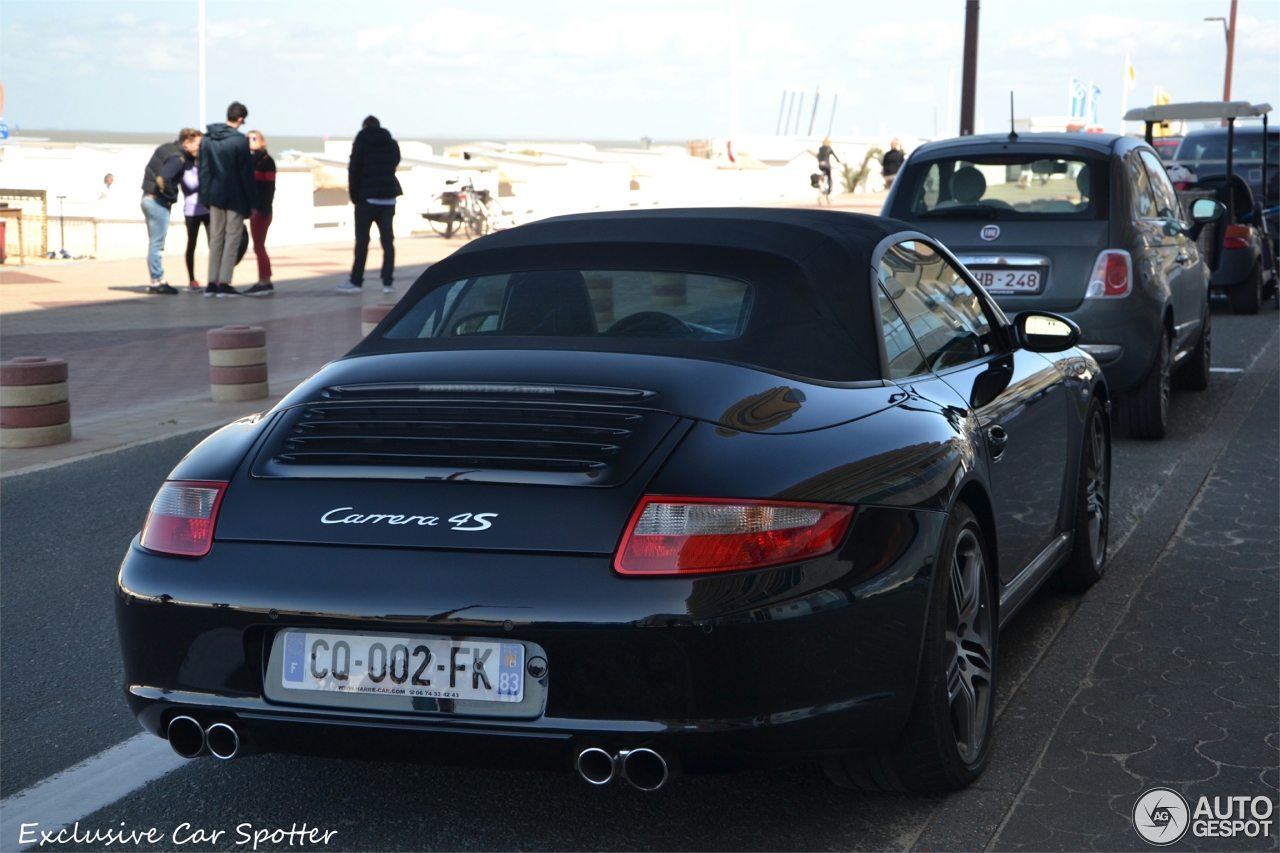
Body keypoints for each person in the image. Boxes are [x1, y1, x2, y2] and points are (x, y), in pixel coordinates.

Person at [198, 101, 258, 298]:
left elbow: (203, 170)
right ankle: (224, 282)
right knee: (232, 238)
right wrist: (253, 202)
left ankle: (211, 282)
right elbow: (246, 174)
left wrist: (204, 197)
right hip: (235, 196)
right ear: (240, 119)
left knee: (215, 238)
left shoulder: (208, 139)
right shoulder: (240, 141)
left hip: (214, 194)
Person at [338, 115, 402, 294]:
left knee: (362, 241)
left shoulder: (361, 139)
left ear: (365, 126)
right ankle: (387, 283)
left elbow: (354, 169)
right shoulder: (391, 142)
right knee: (388, 242)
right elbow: (395, 162)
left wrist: (355, 197)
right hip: (389, 197)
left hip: (367, 198)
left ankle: (356, 281)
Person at [139, 134, 189, 294]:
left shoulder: (167, 148)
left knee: (155, 243)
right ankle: (156, 281)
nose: (199, 149)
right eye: (197, 145)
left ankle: (157, 279)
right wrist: (171, 197)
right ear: (187, 142)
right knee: (156, 244)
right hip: (157, 202)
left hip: (147, 198)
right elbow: (163, 179)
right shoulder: (177, 158)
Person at [243, 130, 276, 296]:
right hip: (254, 210)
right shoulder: (250, 161)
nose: (250, 141)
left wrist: (263, 209)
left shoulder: (266, 161)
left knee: (259, 246)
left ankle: (264, 281)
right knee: (258, 246)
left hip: (262, 211)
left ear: (262, 141)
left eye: (254, 138)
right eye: (248, 139)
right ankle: (265, 280)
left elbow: (269, 188)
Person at [179, 130, 209, 292]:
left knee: (214, 244)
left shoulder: (205, 161)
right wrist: (205, 176)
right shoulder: (185, 163)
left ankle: (215, 278)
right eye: (198, 144)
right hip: (191, 210)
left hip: (207, 209)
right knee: (192, 245)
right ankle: (192, 279)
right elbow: (190, 185)